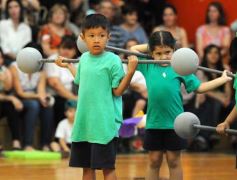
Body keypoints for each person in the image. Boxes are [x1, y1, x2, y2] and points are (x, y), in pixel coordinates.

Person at [130, 31, 231, 180]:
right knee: (154, 160)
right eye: (158, 53)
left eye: (168, 52)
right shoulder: (148, 65)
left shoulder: (180, 67)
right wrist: (152, 46)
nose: (163, 57)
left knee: (174, 161)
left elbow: (199, 88)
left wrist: (222, 79)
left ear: (174, 51)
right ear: (151, 53)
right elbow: (133, 50)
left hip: (176, 124)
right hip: (154, 123)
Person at [54, 14, 138, 180]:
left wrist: (130, 72)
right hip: (85, 124)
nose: (96, 40)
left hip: (104, 124)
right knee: (86, 169)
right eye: (91, 36)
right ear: (83, 37)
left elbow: (118, 92)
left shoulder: (113, 60)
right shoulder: (84, 58)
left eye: (101, 35)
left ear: (108, 37)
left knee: (107, 169)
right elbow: (80, 78)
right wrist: (68, 65)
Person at [10, 43, 54, 151]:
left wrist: (44, 99)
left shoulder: (41, 70)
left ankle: (45, 144)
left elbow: (41, 91)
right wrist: (39, 96)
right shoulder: (14, 66)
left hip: (33, 96)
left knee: (47, 107)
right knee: (34, 105)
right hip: (18, 97)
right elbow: (20, 92)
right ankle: (27, 144)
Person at [44, 35, 78, 127]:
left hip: (75, 96)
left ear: (75, 50)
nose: (66, 51)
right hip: (56, 96)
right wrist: (74, 98)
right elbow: (55, 84)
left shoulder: (77, 62)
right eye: (64, 47)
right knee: (65, 105)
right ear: (59, 48)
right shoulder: (53, 59)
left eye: (70, 48)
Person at [0, 47, 23, 150]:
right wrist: (11, 98)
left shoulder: (5, 70)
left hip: (2, 100)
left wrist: (5, 80)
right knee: (10, 102)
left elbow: (8, 88)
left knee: (10, 107)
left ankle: (16, 142)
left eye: (0, 57)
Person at [0, 0, 32, 66]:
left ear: (21, 8)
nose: (13, 10)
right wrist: (17, 59)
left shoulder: (26, 28)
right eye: (10, 7)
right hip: (6, 60)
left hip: (23, 60)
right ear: (7, 10)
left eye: (16, 6)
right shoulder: (2, 24)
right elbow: (4, 48)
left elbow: (27, 48)